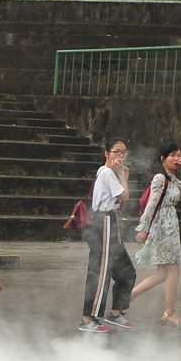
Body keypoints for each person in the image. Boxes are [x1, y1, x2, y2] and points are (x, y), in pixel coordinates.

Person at [131, 142, 181, 326]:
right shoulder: (160, 178)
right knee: (174, 270)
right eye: (172, 155)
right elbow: (151, 204)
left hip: (170, 226)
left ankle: (127, 297)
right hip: (162, 228)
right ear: (162, 158)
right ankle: (170, 312)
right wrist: (143, 229)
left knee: (162, 273)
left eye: (179, 155)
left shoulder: (172, 178)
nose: (176, 159)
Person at [80, 138, 136, 333]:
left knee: (126, 271)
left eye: (123, 153)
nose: (120, 156)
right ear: (107, 154)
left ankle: (116, 312)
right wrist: (122, 176)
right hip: (103, 223)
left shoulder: (110, 174)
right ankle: (88, 318)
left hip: (111, 222)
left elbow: (122, 204)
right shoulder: (106, 173)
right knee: (100, 272)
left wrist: (122, 177)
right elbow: (125, 196)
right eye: (116, 152)